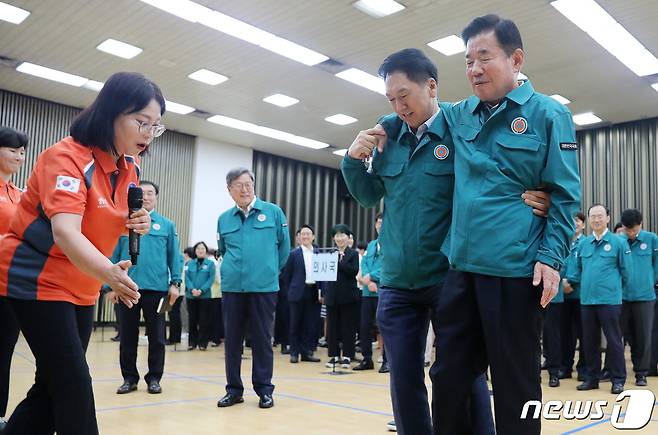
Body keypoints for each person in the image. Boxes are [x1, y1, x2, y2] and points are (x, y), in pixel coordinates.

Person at [343, 46, 552, 435]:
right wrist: (353, 162)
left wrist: (535, 191)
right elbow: (370, 195)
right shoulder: (386, 133)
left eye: (404, 96)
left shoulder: (462, 128)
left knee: (462, 369)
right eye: (391, 98)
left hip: (449, 276)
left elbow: (498, 167)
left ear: (432, 86)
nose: (398, 106)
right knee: (403, 377)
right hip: (397, 280)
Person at [0, 72, 158, 435]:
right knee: (73, 384)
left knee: (50, 386)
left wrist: (138, 222)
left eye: (156, 125)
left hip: (83, 284)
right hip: (37, 278)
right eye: (142, 122)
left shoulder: (130, 166)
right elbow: (66, 232)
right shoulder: (67, 157)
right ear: (112, 113)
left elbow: (104, 220)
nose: (149, 133)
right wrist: (110, 273)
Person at [216, 167, 290, 409]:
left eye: (248, 183)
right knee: (233, 341)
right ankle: (234, 390)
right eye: (238, 185)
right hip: (232, 289)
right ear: (230, 190)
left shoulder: (273, 213)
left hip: (264, 288)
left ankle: (264, 390)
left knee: (262, 340)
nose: (245, 189)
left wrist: (269, 272)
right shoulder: (224, 219)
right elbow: (224, 251)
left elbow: (284, 249)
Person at [106, 180, 182, 395]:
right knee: (127, 336)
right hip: (126, 288)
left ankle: (154, 378)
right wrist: (109, 285)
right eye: (142, 193)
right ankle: (129, 378)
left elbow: (174, 256)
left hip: (157, 289)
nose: (146, 197)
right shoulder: (124, 223)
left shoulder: (167, 225)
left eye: (150, 193)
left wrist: (175, 283)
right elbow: (111, 254)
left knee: (157, 337)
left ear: (156, 197)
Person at [567, 204, 631, 394]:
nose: (596, 219)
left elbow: (627, 271)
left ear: (608, 218)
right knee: (589, 341)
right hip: (587, 301)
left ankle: (617, 379)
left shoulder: (618, 242)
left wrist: (616, 290)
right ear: (589, 220)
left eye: (600, 216)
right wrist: (571, 281)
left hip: (609, 301)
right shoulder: (584, 243)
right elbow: (577, 269)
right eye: (593, 216)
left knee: (614, 341)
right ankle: (591, 378)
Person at [0, 127, 28, 431]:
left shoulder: (19, 194)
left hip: (10, 282)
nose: (19, 156)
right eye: (12, 150)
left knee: (4, 350)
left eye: (22, 152)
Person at [619, 208, 658, 386]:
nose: (631, 234)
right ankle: (619, 371)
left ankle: (641, 373)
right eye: (628, 230)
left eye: (634, 230)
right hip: (622, 297)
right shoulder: (619, 241)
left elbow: (656, 265)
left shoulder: (652, 239)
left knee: (644, 336)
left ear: (641, 225)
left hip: (645, 296)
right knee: (626, 335)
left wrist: (650, 281)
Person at [281, 224, 322, 363]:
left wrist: (322, 292)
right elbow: (286, 276)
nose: (305, 236)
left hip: (313, 292)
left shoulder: (319, 253)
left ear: (313, 237)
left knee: (309, 324)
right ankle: (294, 352)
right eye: (303, 234)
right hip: (297, 292)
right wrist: (291, 291)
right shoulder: (293, 254)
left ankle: (306, 353)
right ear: (299, 237)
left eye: (308, 234)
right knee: (295, 323)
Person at [323, 224, 360, 369]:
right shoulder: (329, 253)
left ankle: (347, 356)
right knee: (332, 327)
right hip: (332, 296)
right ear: (333, 238)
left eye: (342, 235)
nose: (339, 238)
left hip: (348, 297)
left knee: (347, 327)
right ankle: (333, 355)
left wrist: (339, 262)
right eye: (337, 235)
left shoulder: (353, 254)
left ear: (348, 237)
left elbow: (353, 271)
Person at [354, 213, 388, 372]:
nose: (381, 225)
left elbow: (389, 265)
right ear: (375, 225)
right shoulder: (372, 244)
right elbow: (366, 262)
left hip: (384, 291)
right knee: (364, 326)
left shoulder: (392, 243)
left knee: (385, 327)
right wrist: (367, 279)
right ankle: (367, 359)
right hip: (368, 292)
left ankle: (387, 361)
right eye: (379, 223)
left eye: (383, 222)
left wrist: (372, 277)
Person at [560, 212, 587, 381]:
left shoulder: (586, 243)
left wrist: (571, 281)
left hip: (580, 295)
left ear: (583, 225)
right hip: (562, 295)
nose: (575, 224)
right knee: (565, 334)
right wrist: (562, 282)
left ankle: (583, 368)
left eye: (578, 221)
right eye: (572, 221)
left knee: (584, 334)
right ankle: (565, 366)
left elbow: (584, 267)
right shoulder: (563, 242)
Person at [186, 241, 215, 351]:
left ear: (206, 251)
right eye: (198, 249)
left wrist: (201, 290)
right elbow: (187, 278)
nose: (200, 250)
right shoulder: (189, 264)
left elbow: (211, 279)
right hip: (191, 296)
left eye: (202, 249)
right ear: (195, 251)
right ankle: (192, 342)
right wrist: (192, 289)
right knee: (192, 320)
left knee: (204, 320)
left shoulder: (210, 264)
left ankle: (203, 343)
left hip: (205, 296)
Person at [168, 247, 193, 345]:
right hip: (180, 290)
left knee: (173, 313)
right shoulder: (182, 260)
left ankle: (173, 338)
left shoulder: (177, 258)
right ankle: (175, 337)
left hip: (175, 288)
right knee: (175, 313)